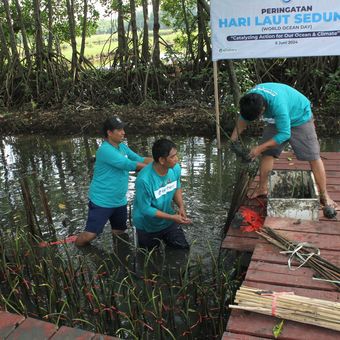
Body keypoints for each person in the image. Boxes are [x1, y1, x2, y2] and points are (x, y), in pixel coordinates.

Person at [230, 82, 337, 208]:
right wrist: (233, 139)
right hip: (277, 119)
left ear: (263, 109)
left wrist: (258, 149)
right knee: (267, 153)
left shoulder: (278, 105)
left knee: (313, 156)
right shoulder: (249, 100)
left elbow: (285, 134)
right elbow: (243, 118)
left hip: (299, 117)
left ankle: (325, 195)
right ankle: (262, 188)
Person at [75, 116, 152, 246]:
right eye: (119, 130)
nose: (123, 132)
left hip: (119, 200)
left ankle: (120, 259)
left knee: (119, 233)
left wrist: (160, 160)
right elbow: (129, 164)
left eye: (123, 129)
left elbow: (139, 158)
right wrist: (156, 169)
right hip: (102, 201)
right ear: (109, 133)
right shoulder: (105, 150)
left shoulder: (122, 147)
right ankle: (78, 250)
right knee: (90, 235)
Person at [132, 138, 191, 249]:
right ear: (162, 160)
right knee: (150, 259)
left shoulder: (175, 168)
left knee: (182, 250)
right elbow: (145, 209)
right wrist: (173, 217)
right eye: (172, 157)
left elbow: (176, 186)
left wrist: (181, 206)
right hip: (146, 226)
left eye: (176, 155)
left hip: (168, 221)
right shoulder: (144, 180)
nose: (176, 159)